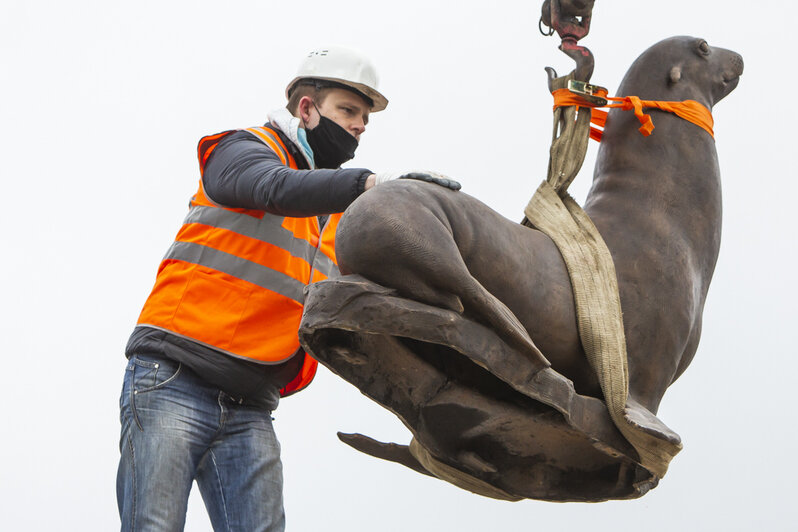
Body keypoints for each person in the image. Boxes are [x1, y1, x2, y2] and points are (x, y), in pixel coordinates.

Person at [116, 45, 460, 532]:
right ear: (306, 108)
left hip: (251, 403)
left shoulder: (339, 218)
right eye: (348, 110)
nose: (360, 125)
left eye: (365, 118)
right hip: (173, 377)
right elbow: (273, 187)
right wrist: (369, 185)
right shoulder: (244, 150)